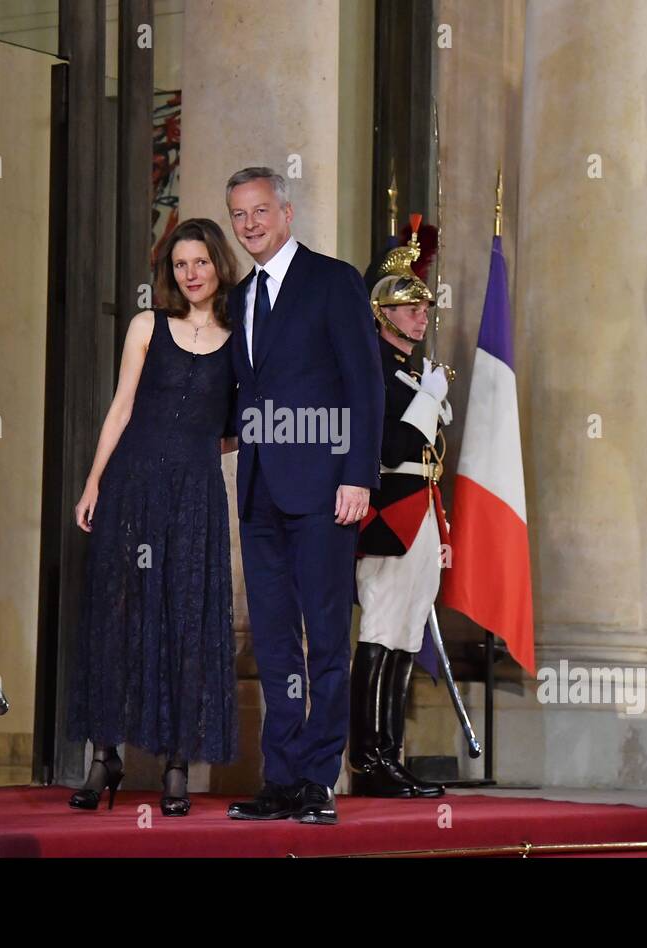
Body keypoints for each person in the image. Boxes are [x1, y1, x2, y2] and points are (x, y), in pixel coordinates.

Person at [224, 168, 384, 825]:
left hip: (324, 490)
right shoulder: (240, 298)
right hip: (259, 491)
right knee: (274, 643)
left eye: (261, 210)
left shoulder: (334, 280)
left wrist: (358, 476)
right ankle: (282, 778)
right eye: (239, 215)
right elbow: (247, 395)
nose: (250, 224)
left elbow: (365, 383)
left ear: (286, 213)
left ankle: (320, 778)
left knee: (324, 637)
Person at [67, 218, 240, 817]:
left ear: (219, 265)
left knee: (186, 621)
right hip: (132, 488)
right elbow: (121, 408)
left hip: (196, 498)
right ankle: (103, 757)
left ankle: (176, 767)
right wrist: (93, 482)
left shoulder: (240, 336)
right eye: (180, 264)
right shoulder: (147, 325)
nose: (190, 274)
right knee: (120, 615)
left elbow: (234, 431)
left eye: (200, 262)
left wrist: (190, 455)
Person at [351, 227, 448, 799]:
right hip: (389, 511)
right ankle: (368, 762)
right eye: (408, 307)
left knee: (409, 632)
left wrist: (444, 526)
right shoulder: (376, 370)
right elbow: (388, 450)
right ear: (380, 311)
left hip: (422, 509)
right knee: (383, 628)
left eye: (423, 306)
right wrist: (430, 399)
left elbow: (430, 460)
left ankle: (391, 753)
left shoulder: (413, 372)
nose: (420, 316)